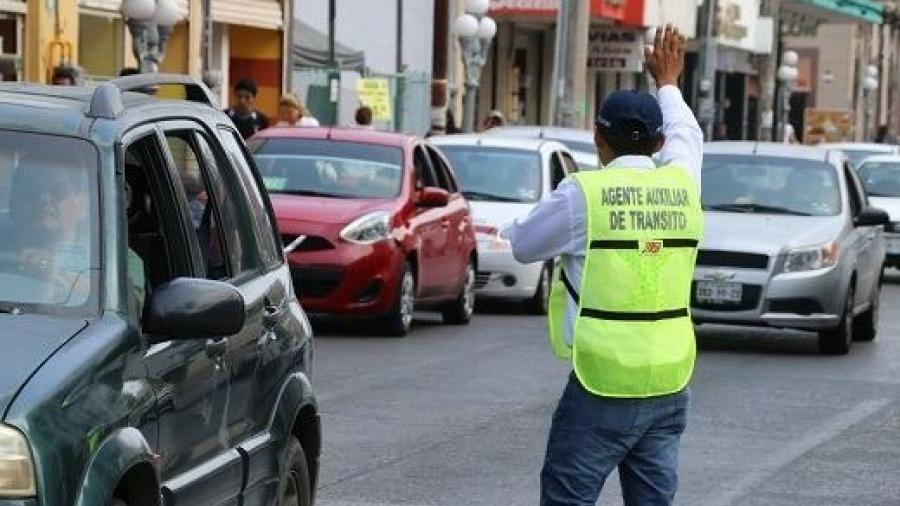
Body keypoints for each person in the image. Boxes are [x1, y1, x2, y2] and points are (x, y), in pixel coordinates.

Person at [505, 25, 703, 506]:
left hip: (603, 382)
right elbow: (688, 134)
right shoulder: (683, 184)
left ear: (598, 138)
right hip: (668, 379)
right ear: (658, 144)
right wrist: (670, 82)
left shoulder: (585, 195)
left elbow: (524, 246)